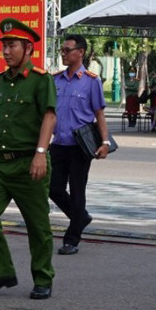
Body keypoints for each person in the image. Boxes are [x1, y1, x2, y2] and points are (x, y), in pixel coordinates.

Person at [0, 19, 57, 300]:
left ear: (28, 48)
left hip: (29, 162)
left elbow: (49, 116)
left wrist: (40, 154)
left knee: (37, 224)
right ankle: (1, 272)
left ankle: (43, 278)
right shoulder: (1, 81)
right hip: (1, 163)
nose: (6, 51)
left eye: (12, 45)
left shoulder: (41, 79)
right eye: (4, 46)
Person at [48, 34, 109, 256]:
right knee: (52, 187)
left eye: (67, 50)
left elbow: (99, 114)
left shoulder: (91, 81)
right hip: (58, 143)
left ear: (80, 52)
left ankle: (72, 239)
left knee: (77, 191)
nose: (63, 54)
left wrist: (104, 142)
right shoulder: (55, 80)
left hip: (80, 146)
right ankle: (80, 217)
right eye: (62, 50)